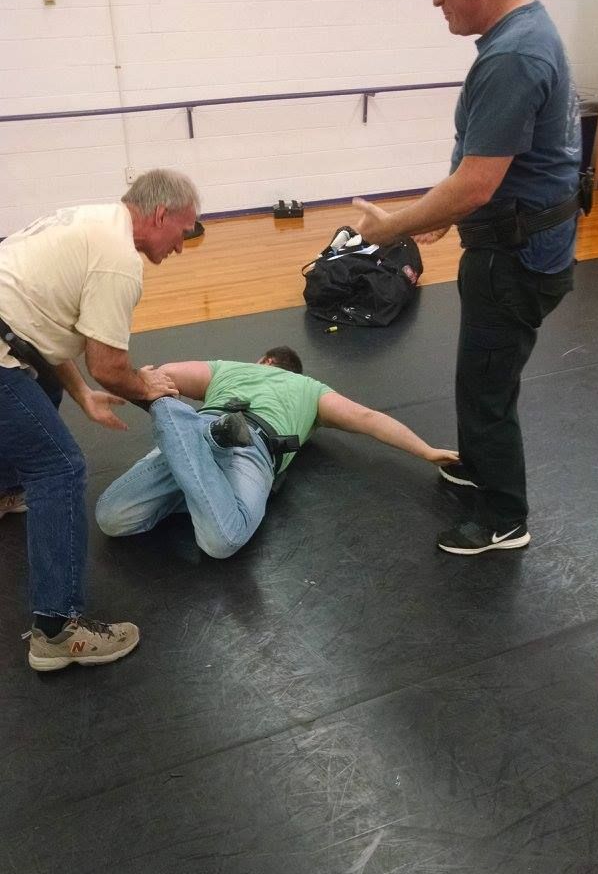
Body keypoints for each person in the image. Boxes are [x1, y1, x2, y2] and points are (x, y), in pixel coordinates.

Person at [353, 0, 582, 555]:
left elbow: (476, 183)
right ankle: (481, 467)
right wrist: (451, 218)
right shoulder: (525, 33)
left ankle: (504, 519)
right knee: (478, 375)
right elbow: (503, 171)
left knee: (486, 387)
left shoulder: (513, 55)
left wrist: (392, 227)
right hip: (518, 245)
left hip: (517, 261)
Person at [0, 168, 200, 671]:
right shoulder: (118, 262)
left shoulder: (94, 221)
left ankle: (4, 489)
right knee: (60, 469)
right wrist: (145, 387)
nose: (182, 246)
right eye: (184, 230)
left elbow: (41, 333)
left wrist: (83, 395)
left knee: (44, 388)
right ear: (160, 215)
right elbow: (110, 366)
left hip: (8, 337)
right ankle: (55, 631)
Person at [95, 347, 459, 558]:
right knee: (222, 541)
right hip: (253, 445)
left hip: (202, 425)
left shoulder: (228, 369)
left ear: (266, 361)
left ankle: (180, 424)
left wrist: (140, 378)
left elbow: (163, 375)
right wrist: (425, 450)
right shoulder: (311, 390)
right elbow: (367, 418)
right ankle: (210, 440)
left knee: (112, 517)